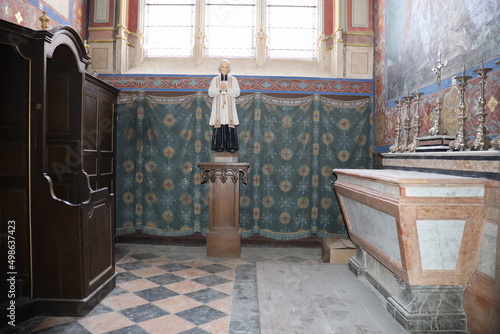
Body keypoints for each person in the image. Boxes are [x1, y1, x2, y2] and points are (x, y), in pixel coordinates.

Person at [208, 59, 241, 153]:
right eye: (222, 67)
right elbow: (210, 93)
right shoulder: (215, 80)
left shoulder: (233, 80)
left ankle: (231, 146)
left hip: (229, 106)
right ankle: (219, 145)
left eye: (226, 67)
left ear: (229, 68)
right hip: (218, 106)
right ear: (219, 67)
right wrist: (219, 89)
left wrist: (226, 89)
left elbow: (237, 92)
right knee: (220, 123)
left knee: (229, 123)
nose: (224, 69)